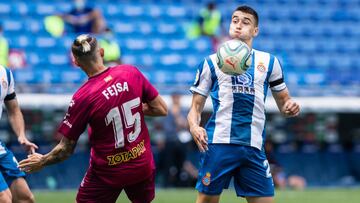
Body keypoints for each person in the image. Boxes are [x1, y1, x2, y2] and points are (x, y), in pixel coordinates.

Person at [18, 34, 168, 203]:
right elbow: (161, 109)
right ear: (102, 52)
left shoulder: (83, 97)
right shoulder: (130, 72)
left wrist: (42, 161)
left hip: (108, 173)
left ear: (76, 62)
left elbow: (66, 149)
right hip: (141, 164)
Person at [187, 5, 300, 203]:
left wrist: (290, 106)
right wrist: (194, 127)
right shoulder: (210, 63)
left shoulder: (269, 62)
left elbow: (284, 102)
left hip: (253, 146)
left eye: (245, 22)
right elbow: (195, 108)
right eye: (235, 20)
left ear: (255, 30)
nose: (238, 25)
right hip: (219, 144)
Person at [0, 65, 38, 203]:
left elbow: (14, 110)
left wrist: (21, 135)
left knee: (25, 198)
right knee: (4, 198)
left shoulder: (5, 74)